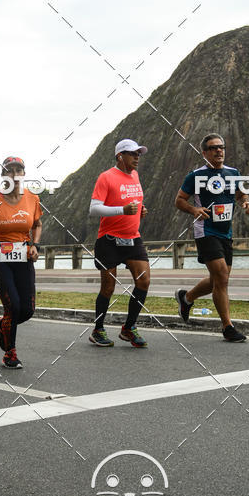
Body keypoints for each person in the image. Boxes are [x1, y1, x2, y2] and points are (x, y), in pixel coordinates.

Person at [174, 134, 249, 342]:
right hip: (206, 231)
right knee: (222, 278)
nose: (219, 151)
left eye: (221, 147)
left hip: (226, 232)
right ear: (204, 153)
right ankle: (228, 327)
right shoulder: (196, 176)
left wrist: (246, 202)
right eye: (213, 148)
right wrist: (194, 209)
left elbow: (240, 194)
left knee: (218, 280)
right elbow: (180, 200)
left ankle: (187, 297)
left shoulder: (233, 173)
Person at [0, 157, 42, 369]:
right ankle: (10, 353)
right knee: (12, 305)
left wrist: (35, 245)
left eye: (18, 170)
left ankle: (2, 323)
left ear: (24, 174)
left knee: (28, 310)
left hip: (22, 255)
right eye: (9, 170)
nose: (14, 174)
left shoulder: (33, 199)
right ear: (3, 175)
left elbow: (38, 224)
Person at [89, 139, 150, 348]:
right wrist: (122, 210)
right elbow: (94, 208)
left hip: (133, 237)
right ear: (119, 156)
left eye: (138, 154)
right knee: (108, 287)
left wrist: (140, 209)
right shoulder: (106, 177)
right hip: (109, 240)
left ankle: (129, 328)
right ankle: (98, 330)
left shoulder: (135, 175)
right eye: (132, 154)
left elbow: (132, 199)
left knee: (144, 281)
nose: (137, 157)